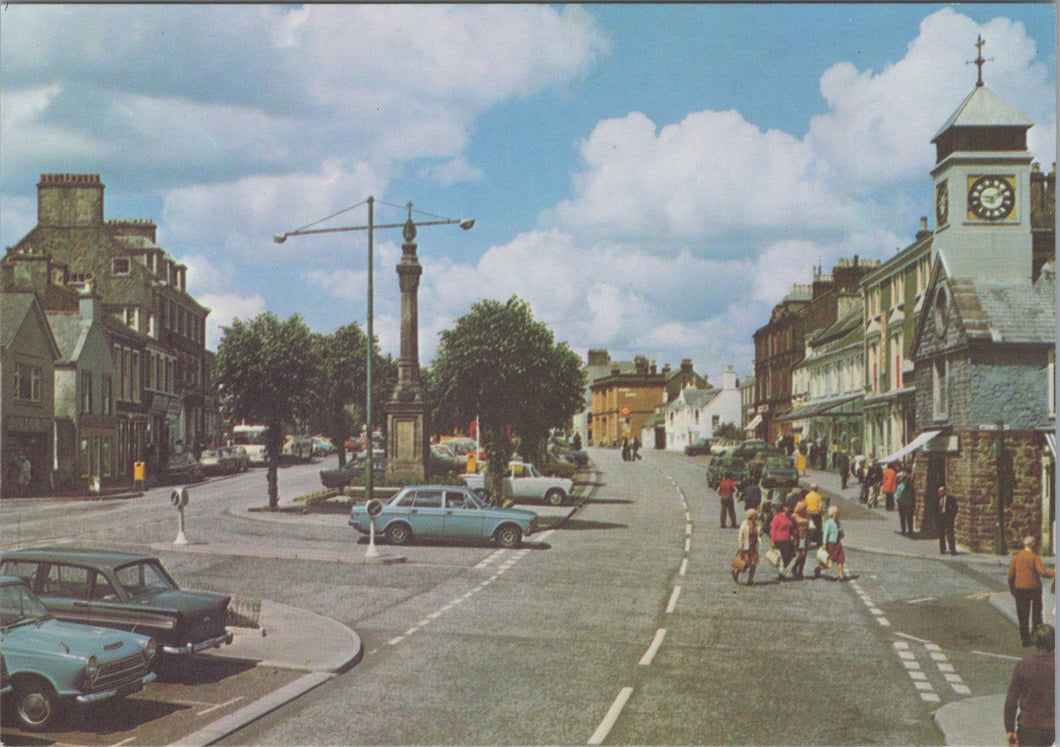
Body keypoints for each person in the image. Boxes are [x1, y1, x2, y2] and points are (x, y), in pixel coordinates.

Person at [1004, 623, 1055, 747]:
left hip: (1029, 726)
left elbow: (1011, 701)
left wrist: (1010, 730)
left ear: (1036, 642)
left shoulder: (1024, 665)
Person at [1008, 536, 1057, 646]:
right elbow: (1042, 572)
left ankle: (1025, 639)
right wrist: (1055, 573)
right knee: (1036, 614)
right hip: (1034, 589)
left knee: (1023, 615)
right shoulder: (1034, 557)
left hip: (1020, 589)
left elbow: (1011, 575)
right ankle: (1037, 636)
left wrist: (1012, 588)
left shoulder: (1016, 557)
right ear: (1033, 544)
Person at [816, 505, 847, 581]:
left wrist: (841, 532)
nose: (838, 515)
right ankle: (818, 569)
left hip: (838, 543)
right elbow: (826, 533)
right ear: (832, 514)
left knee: (841, 558)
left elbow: (843, 534)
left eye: (838, 513)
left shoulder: (839, 523)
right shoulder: (829, 522)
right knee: (830, 560)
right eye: (836, 513)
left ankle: (840, 575)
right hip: (831, 544)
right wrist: (824, 543)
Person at [770, 501, 796, 580]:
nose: (789, 509)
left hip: (787, 540)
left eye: (790, 507)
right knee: (781, 557)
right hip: (779, 540)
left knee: (791, 555)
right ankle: (781, 573)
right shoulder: (778, 517)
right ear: (784, 508)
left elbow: (792, 528)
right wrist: (772, 541)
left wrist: (794, 536)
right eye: (788, 507)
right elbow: (773, 529)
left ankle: (782, 569)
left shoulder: (790, 518)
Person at [733, 508, 759, 586]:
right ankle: (736, 572)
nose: (756, 516)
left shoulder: (755, 524)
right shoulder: (744, 524)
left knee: (754, 564)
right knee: (743, 563)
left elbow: (757, 534)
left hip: (753, 547)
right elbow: (740, 536)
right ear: (751, 516)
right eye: (755, 515)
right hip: (746, 547)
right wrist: (741, 545)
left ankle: (750, 579)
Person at [937, 485, 958, 556]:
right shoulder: (938, 498)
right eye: (939, 491)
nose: (939, 493)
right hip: (941, 518)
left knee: (950, 534)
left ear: (944, 491)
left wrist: (951, 517)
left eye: (941, 491)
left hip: (948, 518)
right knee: (941, 534)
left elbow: (955, 508)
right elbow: (936, 508)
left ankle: (952, 549)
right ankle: (942, 549)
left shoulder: (950, 498)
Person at [791, 500, 810, 579]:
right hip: (798, 536)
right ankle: (795, 567)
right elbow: (792, 527)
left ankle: (800, 571)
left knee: (804, 555)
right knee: (802, 553)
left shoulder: (805, 515)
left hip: (806, 536)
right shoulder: (794, 516)